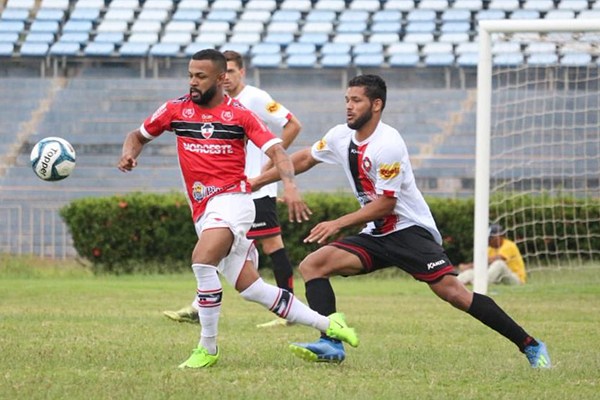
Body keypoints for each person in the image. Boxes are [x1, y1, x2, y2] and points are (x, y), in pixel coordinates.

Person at [250, 74, 551, 368]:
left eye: (356, 100)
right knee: (313, 265)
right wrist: (257, 181)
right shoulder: (340, 135)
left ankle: (531, 345)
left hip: (409, 231)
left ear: (376, 104)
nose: (349, 106)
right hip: (377, 234)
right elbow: (304, 158)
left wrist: (338, 223)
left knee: (455, 294)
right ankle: (331, 343)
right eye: (347, 100)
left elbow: (386, 204)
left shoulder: (388, 143)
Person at [118, 49, 358, 369]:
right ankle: (329, 325)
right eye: (190, 75)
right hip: (204, 208)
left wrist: (290, 185)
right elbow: (138, 135)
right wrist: (129, 154)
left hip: (235, 201)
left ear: (221, 79)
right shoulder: (175, 109)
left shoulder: (241, 115)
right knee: (251, 288)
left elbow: (278, 152)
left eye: (200, 77)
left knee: (202, 261)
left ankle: (208, 347)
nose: (192, 82)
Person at [163, 50, 302, 328]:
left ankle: (287, 309)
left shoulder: (255, 99)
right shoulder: (211, 104)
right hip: (227, 190)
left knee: (272, 244)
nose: (226, 78)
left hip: (255, 188)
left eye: (232, 72)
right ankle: (199, 305)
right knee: (221, 249)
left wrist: (269, 160)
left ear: (240, 73)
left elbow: (292, 125)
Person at [457, 224, 526, 286]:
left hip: (515, 280)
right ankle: (455, 282)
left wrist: (469, 266)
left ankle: (480, 283)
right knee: (470, 272)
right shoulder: (490, 248)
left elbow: (494, 259)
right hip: (498, 279)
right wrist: (468, 268)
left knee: (499, 264)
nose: (488, 241)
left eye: (490, 238)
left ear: (499, 236)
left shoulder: (509, 245)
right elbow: (482, 264)